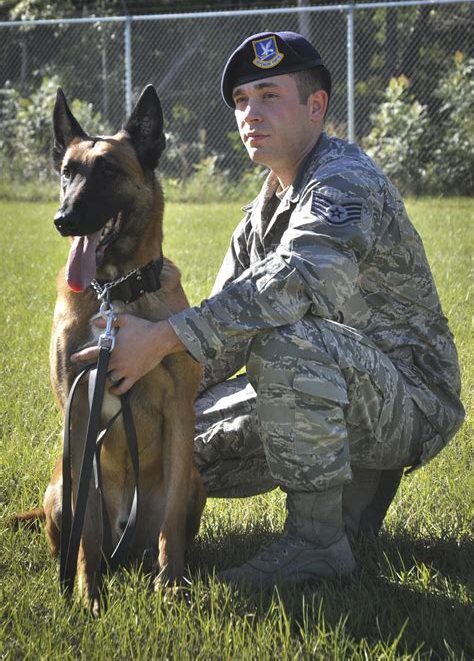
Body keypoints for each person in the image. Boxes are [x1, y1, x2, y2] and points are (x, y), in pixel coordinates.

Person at [74, 32, 464, 589]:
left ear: (316, 107)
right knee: (175, 428)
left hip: (408, 395)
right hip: (339, 385)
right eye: (240, 101)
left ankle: (317, 546)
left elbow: (297, 282)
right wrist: (133, 384)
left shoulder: (343, 179)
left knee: (288, 341)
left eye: (268, 95)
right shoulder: (259, 215)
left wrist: (159, 339)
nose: (249, 113)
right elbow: (215, 345)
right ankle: (119, 523)